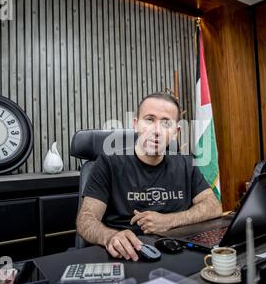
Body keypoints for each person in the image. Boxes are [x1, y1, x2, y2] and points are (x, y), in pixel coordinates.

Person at [76, 92, 223, 261]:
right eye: (149, 119)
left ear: (176, 132)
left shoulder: (186, 164)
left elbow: (213, 206)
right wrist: (109, 237)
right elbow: (85, 220)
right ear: (136, 124)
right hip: (126, 255)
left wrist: (169, 221)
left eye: (166, 123)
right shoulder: (108, 163)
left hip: (177, 253)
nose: (156, 131)